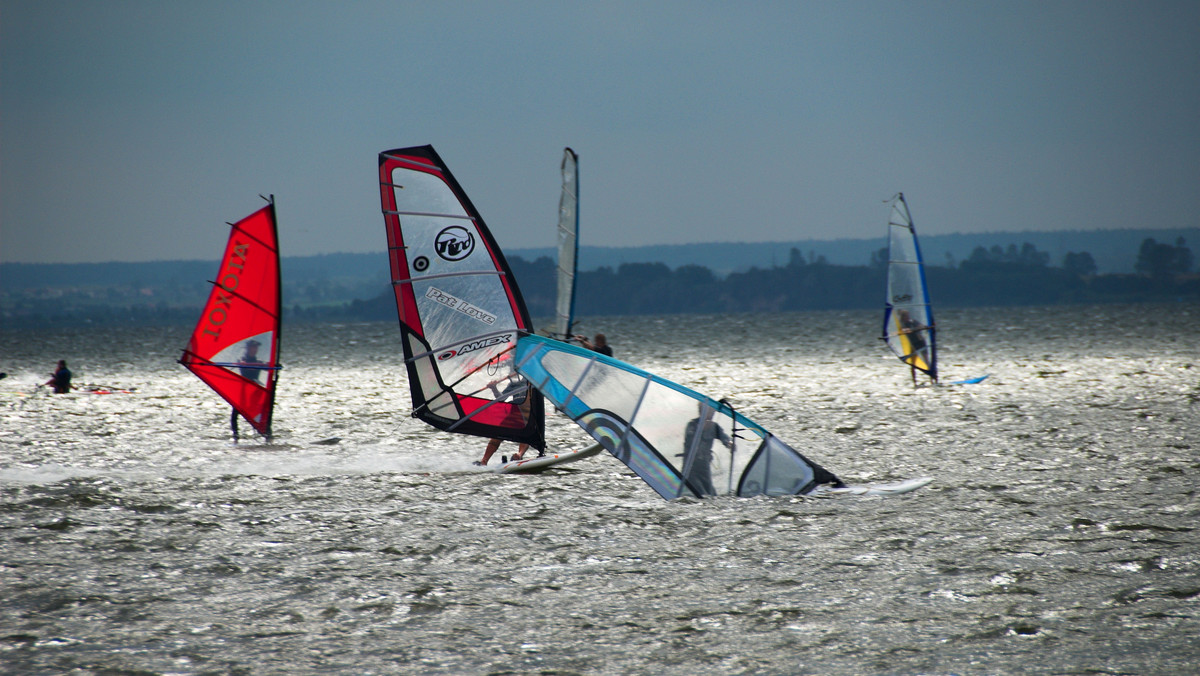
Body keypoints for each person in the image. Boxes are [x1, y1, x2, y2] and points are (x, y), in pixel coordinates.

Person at [679, 403, 732, 496]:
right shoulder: (692, 425)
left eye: (713, 412)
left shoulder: (714, 427)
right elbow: (691, 440)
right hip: (690, 465)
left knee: (710, 492)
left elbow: (724, 437)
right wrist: (702, 428)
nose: (712, 414)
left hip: (704, 465)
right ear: (701, 411)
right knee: (698, 490)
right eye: (709, 411)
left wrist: (729, 443)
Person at [231, 339, 266, 442]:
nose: (254, 350)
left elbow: (266, 367)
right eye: (252, 347)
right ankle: (236, 435)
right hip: (244, 391)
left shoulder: (259, 362)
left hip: (255, 391)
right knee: (235, 413)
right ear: (247, 348)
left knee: (264, 413)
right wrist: (242, 364)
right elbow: (242, 364)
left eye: (256, 348)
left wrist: (274, 366)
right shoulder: (242, 360)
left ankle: (266, 433)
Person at [896, 309, 934, 385]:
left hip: (921, 342)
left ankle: (932, 378)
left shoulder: (913, 322)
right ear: (903, 317)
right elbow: (902, 331)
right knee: (913, 364)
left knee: (927, 360)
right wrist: (907, 330)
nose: (908, 317)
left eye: (908, 316)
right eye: (906, 316)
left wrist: (926, 327)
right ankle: (915, 381)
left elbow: (921, 326)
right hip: (913, 345)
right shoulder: (902, 325)